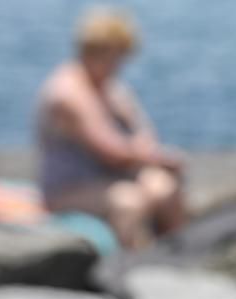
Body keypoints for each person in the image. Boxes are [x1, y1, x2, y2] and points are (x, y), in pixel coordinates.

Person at [35, 7, 187, 249]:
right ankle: (129, 267)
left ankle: (182, 257)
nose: (119, 65)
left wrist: (151, 154)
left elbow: (142, 131)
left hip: (109, 177)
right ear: (97, 51)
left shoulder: (109, 87)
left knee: (163, 187)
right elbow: (110, 151)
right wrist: (156, 156)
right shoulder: (68, 93)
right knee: (129, 201)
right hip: (68, 189)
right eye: (116, 57)